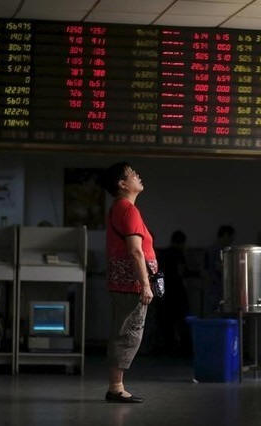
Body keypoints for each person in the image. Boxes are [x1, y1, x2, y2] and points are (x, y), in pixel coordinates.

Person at [97, 162, 157, 404]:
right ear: (122, 184)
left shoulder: (118, 208)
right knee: (129, 333)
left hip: (122, 282)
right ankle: (116, 388)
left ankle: (116, 386)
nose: (138, 176)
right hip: (131, 284)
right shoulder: (128, 210)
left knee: (123, 331)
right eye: (132, 174)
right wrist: (145, 284)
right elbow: (135, 251)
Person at [157, 230, 191, 355]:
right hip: (177, 290)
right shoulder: (178, 254)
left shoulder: (163, 254)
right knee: (182, 320)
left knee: (167, 321)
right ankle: (184, 348)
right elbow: (181, 271)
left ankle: (168, 347)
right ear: (182, 243)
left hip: (165, 291)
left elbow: (159, 273)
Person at [204, 225, 235, 315]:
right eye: (231, 237)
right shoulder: (219, 251)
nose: (232, 240)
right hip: (218, 290)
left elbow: (205, 270)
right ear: (225, 235)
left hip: (213, 289)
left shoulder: (210, 250)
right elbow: (220, 269)